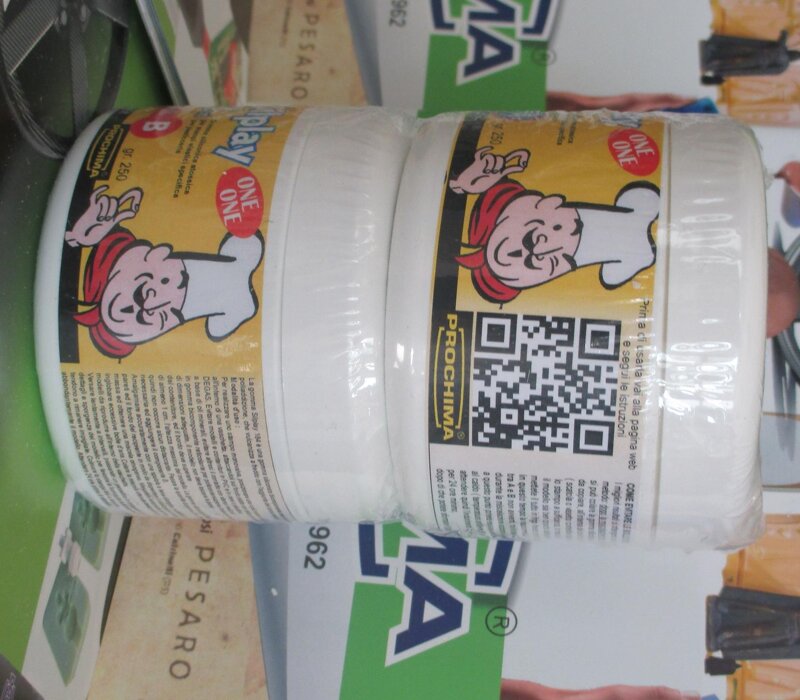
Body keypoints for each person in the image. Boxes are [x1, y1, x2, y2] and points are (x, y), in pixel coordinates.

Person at [67, 185, 264, 358]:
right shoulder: (226, 316)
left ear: (158, 253)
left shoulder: (241, 251)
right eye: (142, 317)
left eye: (141, 291)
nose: (148, 304)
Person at [450, 147, 660, 304]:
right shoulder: (617, 270)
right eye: (541, 261)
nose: (540, 248)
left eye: (532, 237)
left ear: (549, 202)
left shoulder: (618, 265)